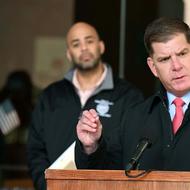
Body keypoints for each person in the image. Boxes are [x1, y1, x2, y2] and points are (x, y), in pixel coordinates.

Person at [27, 22, 144, 190]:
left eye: (89, 41)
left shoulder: (129, 97)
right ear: (68, 54)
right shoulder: (50, 96)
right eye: (76, 44)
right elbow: (35, 151)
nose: (83, 48)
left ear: (101, 46)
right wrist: (46, 185)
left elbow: (134, 153)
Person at [75, 17, 190, 172]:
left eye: (182, 54)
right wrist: (91, 146)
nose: (176, 66)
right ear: (153, 67)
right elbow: (106, 175)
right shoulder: (135, 117)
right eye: (165, 59)